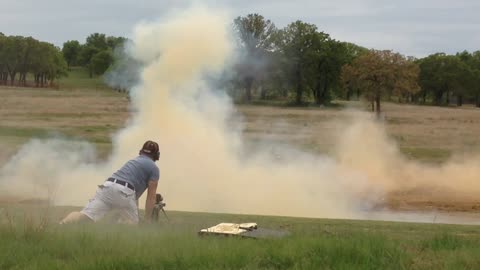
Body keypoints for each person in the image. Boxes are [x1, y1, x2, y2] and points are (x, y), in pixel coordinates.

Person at [60, 140, 161, 224]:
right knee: (132, 224)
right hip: (124, 191)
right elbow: (151, 196)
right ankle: (119, 234)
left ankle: (62, 224)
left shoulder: (133, 161)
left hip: (107, 186)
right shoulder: (154, 168)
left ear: (141, 152)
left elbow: (134, 194)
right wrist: (148, 219)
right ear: (156, 155)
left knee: (84, 215)